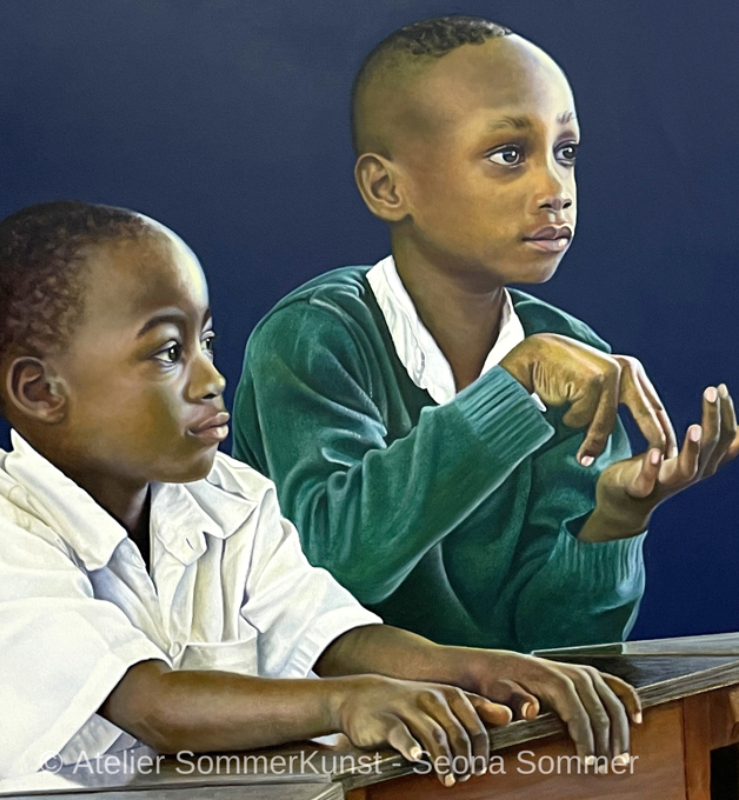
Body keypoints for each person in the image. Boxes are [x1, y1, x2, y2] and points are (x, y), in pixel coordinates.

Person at [0, 201, 644, 798]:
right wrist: (347, 702)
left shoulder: (231, 498)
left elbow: (334, 637)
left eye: (206, 340)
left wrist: (481, 666)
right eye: (165, 353)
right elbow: (155, 708)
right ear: (40, 392)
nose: (212, 378)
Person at [232, 16, 739, 653]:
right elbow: (335, 567)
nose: (556, 189)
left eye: (566, 152)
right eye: (508, 155)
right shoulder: (314, 336)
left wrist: (615, 519)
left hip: (499, 740)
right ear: (388, 188)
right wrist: (511, 386)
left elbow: (562, 648)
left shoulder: (568, 348)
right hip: (326, 738)